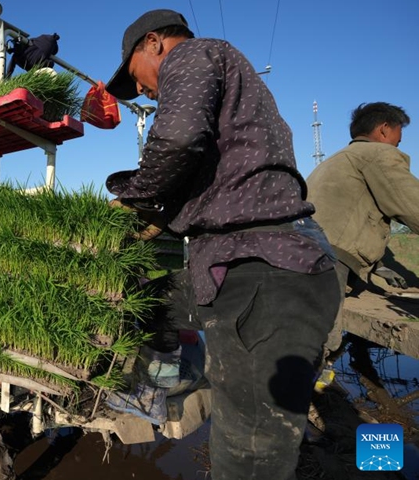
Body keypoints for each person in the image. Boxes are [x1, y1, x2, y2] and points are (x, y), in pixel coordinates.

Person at [103, 9, 339, 480]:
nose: (146, 92)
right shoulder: (229, 82)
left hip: (264, 267)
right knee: (252, 426)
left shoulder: (192, 55)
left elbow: (177, 140)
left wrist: (135, 200)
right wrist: (159, 220)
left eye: (138, 79)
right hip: (254, 263)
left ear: (155, 44)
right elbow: (204, 177)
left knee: (248, 447)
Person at [306, 102, 419, 359]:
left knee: (301, 340)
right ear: (383, 130)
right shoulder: (377, 155)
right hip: (329, 260)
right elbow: (413, 206)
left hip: (304, 254)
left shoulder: (334, 161)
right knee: (317, 343)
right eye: (398, 139)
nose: (398, 144)